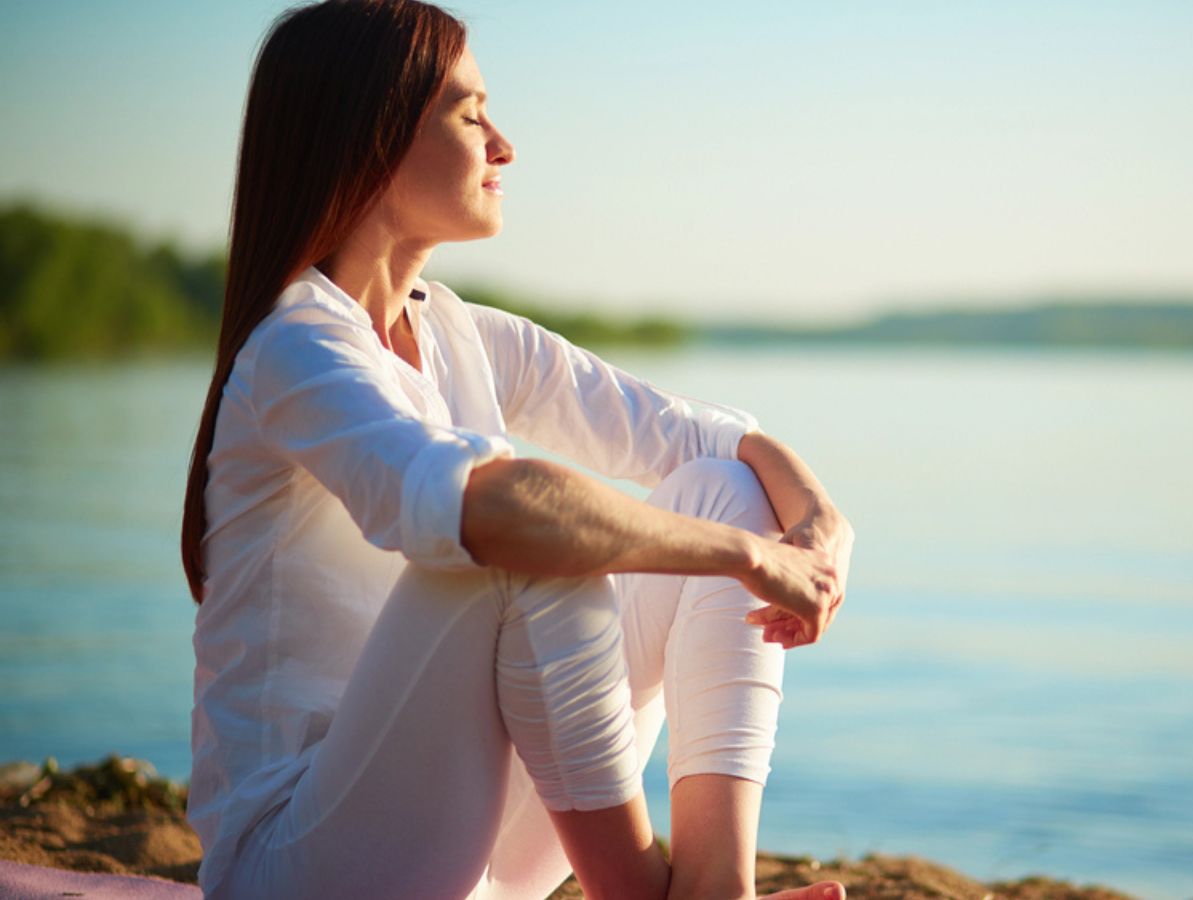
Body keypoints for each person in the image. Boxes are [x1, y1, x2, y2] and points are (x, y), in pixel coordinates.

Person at [178, 1, 854, 897]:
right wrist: (748, 558)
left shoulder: (461, 333)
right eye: (469, 114)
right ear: (370, 137)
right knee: (521, 538)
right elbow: (495, 511)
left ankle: (714, 883)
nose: (504, 144)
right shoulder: (296, 349)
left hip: (468, 851)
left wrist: (816, 525)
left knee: (719, 490)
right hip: (302, 861)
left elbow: (714, 437)